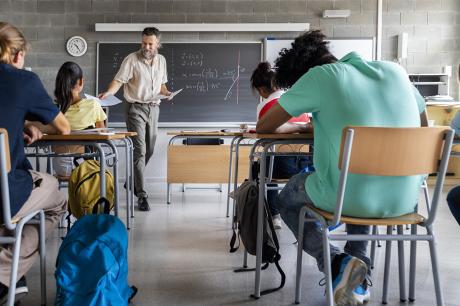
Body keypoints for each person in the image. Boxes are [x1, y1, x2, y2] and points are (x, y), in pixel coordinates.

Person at [256, 30, 427, 305]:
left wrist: (308, 125)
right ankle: (359, 277)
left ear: (304, 74)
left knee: (287, 197)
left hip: (348, 195)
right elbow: (424, 123)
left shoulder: (321, 76)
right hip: (406, 199)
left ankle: (338, 263)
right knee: (365, 175)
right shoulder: (396, 72)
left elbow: (264, 126)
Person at [0, 22, 70, 302]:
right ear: (18, 55)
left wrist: (20, 123)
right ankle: (6, 274)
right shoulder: (23, 81)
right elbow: (63, 128)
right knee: (55, 202)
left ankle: (14, 279)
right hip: (4, 193)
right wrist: (29, 122)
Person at [98, 27, 171, 211]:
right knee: (140, 150)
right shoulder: (131, 59)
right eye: (144, 43)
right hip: (135, 108)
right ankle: (142, 195)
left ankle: (132, 182)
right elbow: (119, 81)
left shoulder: (161, 60)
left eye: (150, 44)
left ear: (157, 44)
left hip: (154, 108)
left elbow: (162, 85)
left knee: (151, 149)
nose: (146, 47)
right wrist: (108, 92)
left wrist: (167, 93)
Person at [250, 62, 311, 229]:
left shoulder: (264, 106)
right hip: (306, 166)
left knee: (263, 162)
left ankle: (274, 214)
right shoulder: (301, 104)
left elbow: (264, 137)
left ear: (262, 90)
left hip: (279, 168)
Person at [52, 61, 107, 176]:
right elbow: (102, 134)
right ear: (81, 81)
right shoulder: (93, 105)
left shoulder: (53, 109)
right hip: (85, 166)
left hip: (60, 166)